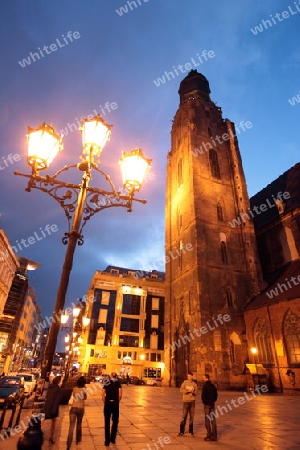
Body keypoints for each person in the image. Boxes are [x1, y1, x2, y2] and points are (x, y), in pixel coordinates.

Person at [102, 372, 122, 447]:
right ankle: (113, 439)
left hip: (107, 403)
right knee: (115, 421)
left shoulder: (106, 383)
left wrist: (106, 402)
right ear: (116, 377)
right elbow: (120, 395)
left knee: (107, 422)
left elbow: (103, 395)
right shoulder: (118, 384)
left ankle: (107, 441)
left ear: (110, 377)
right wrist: (117, 402)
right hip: (115, 404)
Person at [67, 376, 87, 449]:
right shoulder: (84, 389)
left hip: (74, 407)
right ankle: (78, 440)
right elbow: (85, 397)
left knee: (71, 427)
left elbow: (73, 396)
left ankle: (68, 444)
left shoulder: (74, 388)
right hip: (81, 408)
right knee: (79, 424)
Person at [43, 376, 62, 444]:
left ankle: (39, 432)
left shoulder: (49, 387)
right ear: (58, 382)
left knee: (43, 420)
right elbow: (58, 399)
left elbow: (45, 396)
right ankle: (51, 437)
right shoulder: (58, 389)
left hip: (47, 406)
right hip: (53, 408)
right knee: (53, 423)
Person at [178, 372, 198, 437]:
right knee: (184, 416)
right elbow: (181, 390)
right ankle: (181, 431)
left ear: (192, 377)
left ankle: (191, 431)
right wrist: (186, 391)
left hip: (192, 401)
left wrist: (193, 392)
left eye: (190, 376)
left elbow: (197, 392)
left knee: (192, 417)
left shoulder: (194, 384)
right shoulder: (185, 383)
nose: (189, 377)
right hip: (186, 401)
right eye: (188, 376)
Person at [201, 373, 218, 441]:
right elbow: (216, 395)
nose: (203, 379)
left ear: (206, 378)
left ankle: (209, 435)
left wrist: (204, 402)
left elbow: (203, 395)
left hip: (207, 405)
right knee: (213, 421)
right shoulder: (213, 386)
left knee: (207, 420)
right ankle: (214, 436)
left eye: (203, 378)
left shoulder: (205, 386)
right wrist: (213, 400)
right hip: (212, 404)